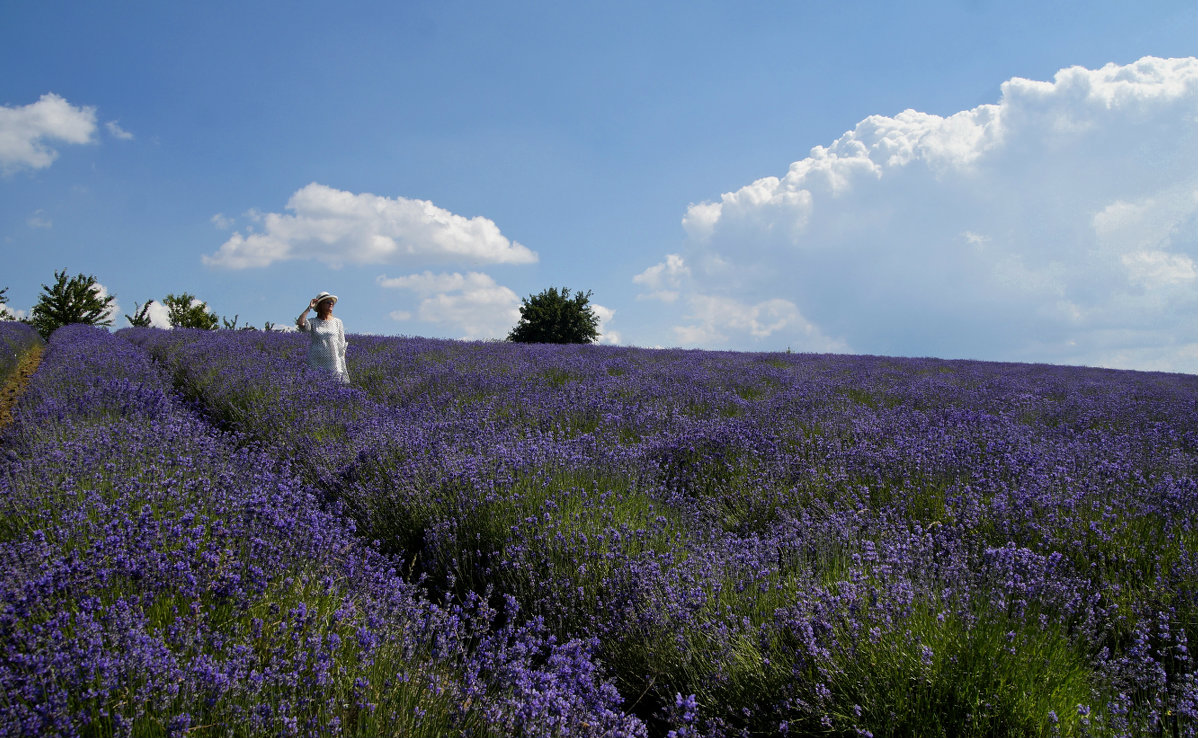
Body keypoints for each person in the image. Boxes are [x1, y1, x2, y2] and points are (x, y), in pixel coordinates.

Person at [296, 291, 350, 383]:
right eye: (328, 302)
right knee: (316, 385)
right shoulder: (313, 322)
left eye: (332, 302)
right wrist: (309, 308)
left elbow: (342, 343)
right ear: (320, 305)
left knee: (335, 386)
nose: (331, 304)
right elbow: (300, 323)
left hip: (333, 361)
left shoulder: (337, 322)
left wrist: (341, 360)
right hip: (316, 360)